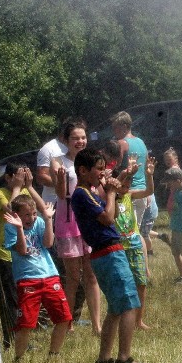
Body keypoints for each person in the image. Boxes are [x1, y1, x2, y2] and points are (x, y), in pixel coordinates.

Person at [70, 148, 145, 363]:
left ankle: (103, 360)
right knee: (130, 304)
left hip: (107, 253)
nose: (102, 174)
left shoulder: (90, 192)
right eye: (99, 170)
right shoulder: (82, 194)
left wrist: (118, 182)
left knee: (115, 307)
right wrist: (111, 193)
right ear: (83, 171)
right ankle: (124, 357)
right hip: (109, 253)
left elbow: (115, 197)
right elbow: (108, 217)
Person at [3, 195, 71, 361]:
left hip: (50, 276)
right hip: (27, 279)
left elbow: (48, 244)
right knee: (26, 323)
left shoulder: (40, 222)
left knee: (64, 318)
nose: (31, 218)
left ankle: (53, 355)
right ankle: (19, 358)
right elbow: (22, 251)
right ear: (17, 215)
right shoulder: (10, 227)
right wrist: (19, 229)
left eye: (33, 213)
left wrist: (48, 220)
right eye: (27, 215)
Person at [51, 119, 103, 336]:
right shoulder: (58, 162)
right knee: (72, 277)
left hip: (87, 221)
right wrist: (62, 178)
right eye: (75, 138)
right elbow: (61, 195)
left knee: (91, 275)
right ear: (66, 140)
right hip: (68, 221)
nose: (80, 141)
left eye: (83, 137)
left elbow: (99, 190)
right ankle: (68, 322)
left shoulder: (92, 159)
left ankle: (97, 325)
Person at [112, 152, 156, 331]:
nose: (127, 185)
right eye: (124, 181)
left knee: (141, 282)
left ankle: (138, 321)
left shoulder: (130, 195)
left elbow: (149, 191)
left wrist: (149, 175)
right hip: (118, 247)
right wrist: (125, 172)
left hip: (135, 245)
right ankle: (121, 319)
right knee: (122, 284)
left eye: (130, 182)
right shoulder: (111, 198)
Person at [0, 162, 28, 352]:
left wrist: (28, 187)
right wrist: (17, 188)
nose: (22, 180)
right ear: (8, 177)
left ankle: (21, 336)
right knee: (9, 298)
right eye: (19, 176)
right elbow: (13, 213)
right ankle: (10, 338)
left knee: (22, 297)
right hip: (4, 253)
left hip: (22, 253)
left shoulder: (25, 192)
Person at [112, 111, 151, 241]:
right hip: (143, 192)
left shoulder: (122, 143)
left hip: (128, 193)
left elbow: (114, 165)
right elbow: (147, 168)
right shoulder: (141, 142)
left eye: (115, 126)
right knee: (136, 231)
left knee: (127, 234)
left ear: (124, 126)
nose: (114, 130)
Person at [162, 167, 182, 283]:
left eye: (170, 183)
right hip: (175, 226)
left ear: (179, 180)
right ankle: (181, 274)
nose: (169, 186)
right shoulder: (174, 192)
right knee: (175, 252)